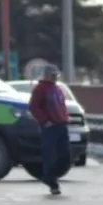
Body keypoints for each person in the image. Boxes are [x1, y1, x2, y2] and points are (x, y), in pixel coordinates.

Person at [27, 64, 70, 195]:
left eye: (56, 75)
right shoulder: (40, 88)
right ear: (46, 75)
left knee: (65, 154)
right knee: (49, 155)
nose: (55, 78)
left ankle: (51, 176)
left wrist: (65, 118)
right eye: (52, 75)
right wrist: (45, 120)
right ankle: (51, 181)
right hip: (49, 127)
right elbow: (33, 107)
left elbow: (61, 105)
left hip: (62, 125)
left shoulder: (57, 88)